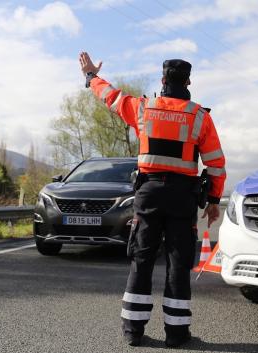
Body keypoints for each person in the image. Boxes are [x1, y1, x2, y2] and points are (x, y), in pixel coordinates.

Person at [79, 52, 226, 348]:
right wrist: (213, 200)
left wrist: (91, 77)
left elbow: (110, 96)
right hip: (183, 197)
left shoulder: (143, 109)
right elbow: (216, 165)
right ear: (188, 82)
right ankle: (177, 333)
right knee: (178, 261)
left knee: (142, 258)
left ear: (162, 81)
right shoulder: (200, 117)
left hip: (148, 194)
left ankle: (133, 331)